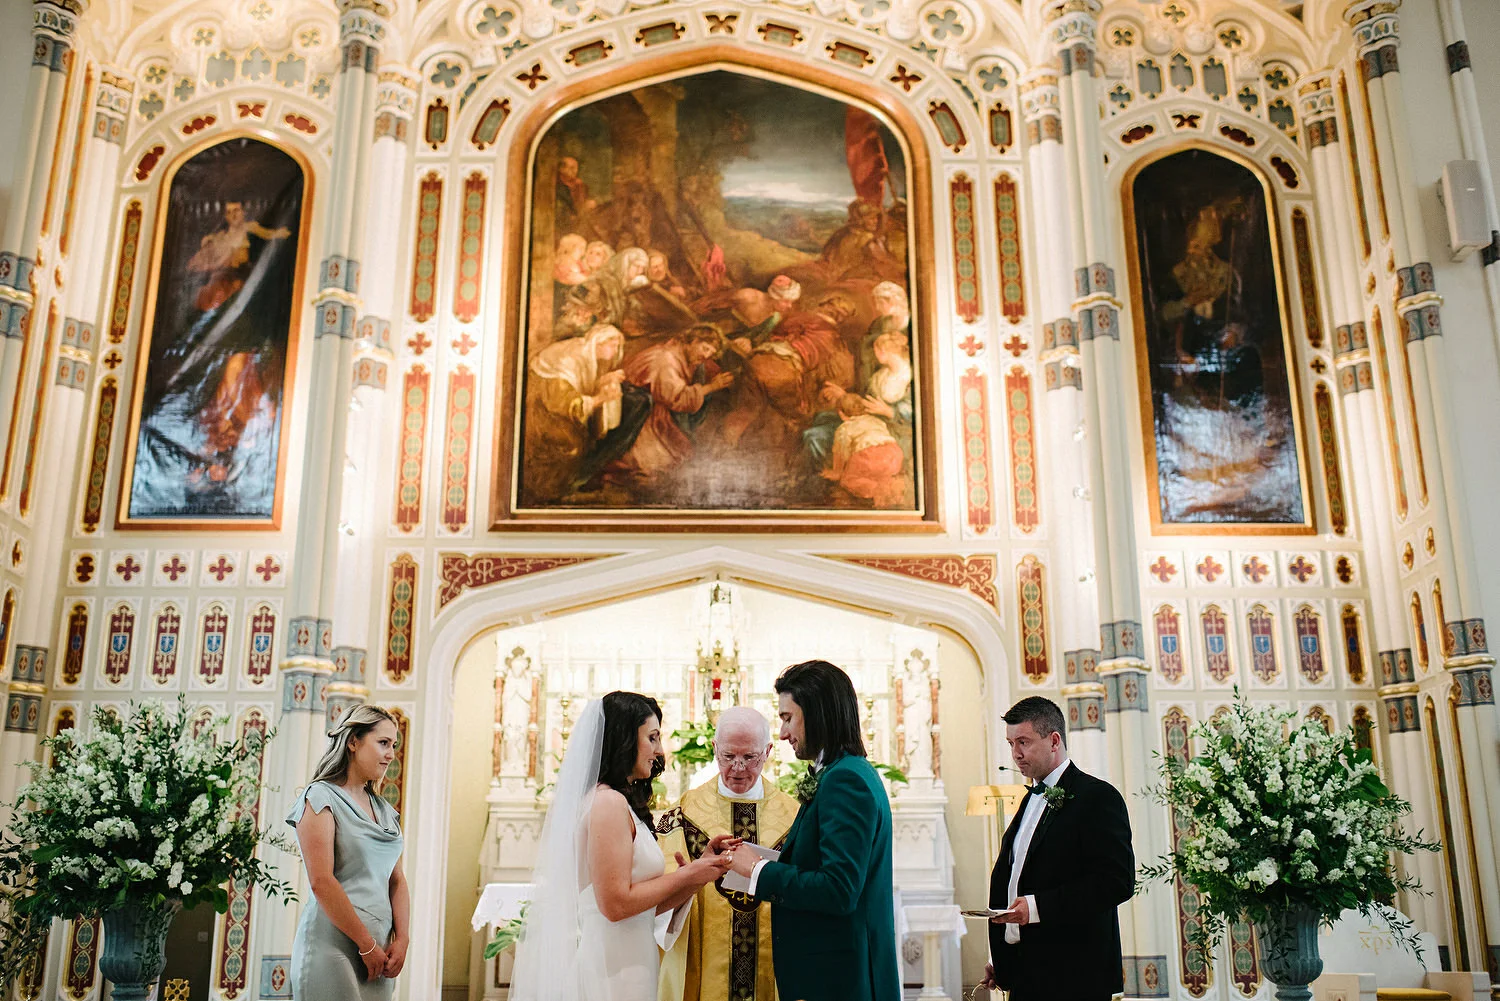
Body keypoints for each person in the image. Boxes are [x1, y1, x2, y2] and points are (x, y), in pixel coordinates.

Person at [511, 692, 736, 1001]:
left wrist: (698, 875)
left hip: (631, 962)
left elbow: (641, 910)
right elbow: (615, 906)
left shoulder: (620, 803)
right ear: (625, 739)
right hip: (612, 970)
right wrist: (687, 875)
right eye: (652, 738)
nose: (659, 751)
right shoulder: (607, 802)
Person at [728, 660, 899, 1001]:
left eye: (787, 718)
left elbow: (839, 889)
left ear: (817, 713)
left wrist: (757, 869)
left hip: (839, 981)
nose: (782, 733)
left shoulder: (845, 779)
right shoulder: (843, 772)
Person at [981, 696, 1134, 1001]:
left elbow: (1116, 882)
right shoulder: (1029, 799)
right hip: (1026, 974)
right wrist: (1002, 957)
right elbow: (1017, 877)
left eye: (1023, 742)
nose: (1016, 754)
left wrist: (1036, 908)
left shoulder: (1098, 797)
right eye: (1011, 744)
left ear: (1054, 741)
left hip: (1074, 977)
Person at [656, 707, 801, 1001]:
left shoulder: (794, 816)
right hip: (706, 965)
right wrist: (685, 880)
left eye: (749, 757)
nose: (738, 767)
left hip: (771, 964)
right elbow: (658, 896)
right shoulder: (684, 814)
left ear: (768, 751)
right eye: (728, 756)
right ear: (714, 748)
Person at [287, 705, 410, 1001]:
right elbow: (321, 881)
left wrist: (403, 938)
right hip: (332, 948)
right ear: (353, 742)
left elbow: (396, 879)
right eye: (383, 743)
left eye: (393, 745)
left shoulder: (384, 810)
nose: (391, 754)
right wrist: (366, 944)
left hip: (379, 954)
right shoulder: (320, 797)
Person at [608, 325, 734, 487]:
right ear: (693, 341)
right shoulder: (666, 359)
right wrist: (711, 387)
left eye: (711, 353)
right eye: (705, 348)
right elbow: (676, 398)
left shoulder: (681, 353)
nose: (706, 355)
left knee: (682, 452)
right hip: (635, 412)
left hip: (652, 409)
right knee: (659, 461)